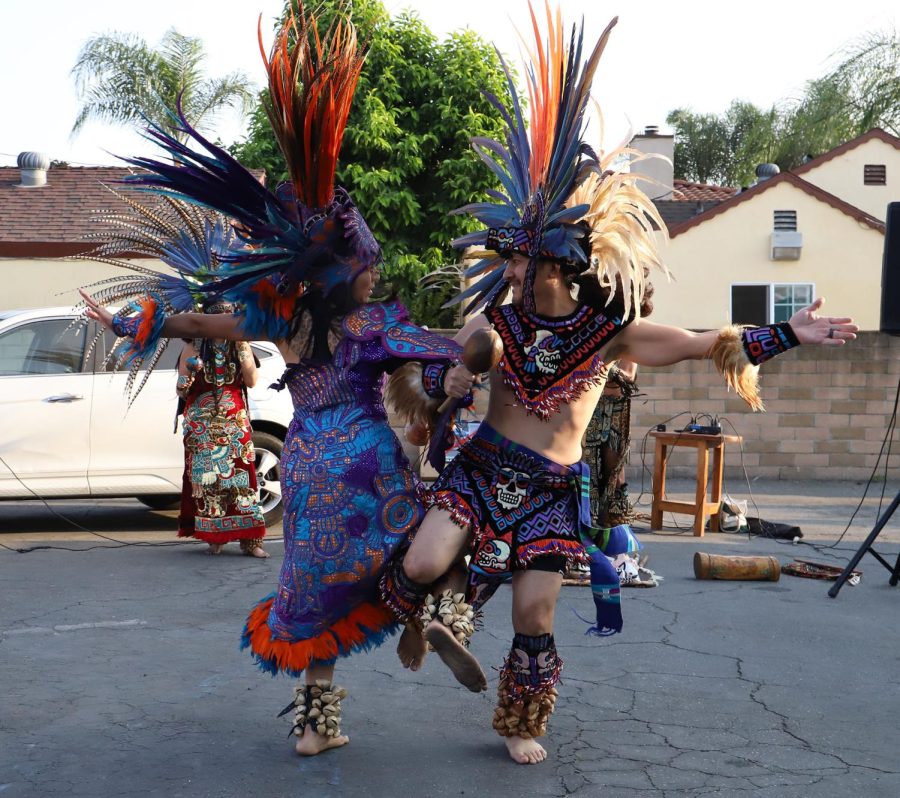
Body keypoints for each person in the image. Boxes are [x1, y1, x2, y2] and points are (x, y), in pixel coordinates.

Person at [379, 5, 858, 766]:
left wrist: (791, 333)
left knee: (537, 615)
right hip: (485, 470)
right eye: (509, 262)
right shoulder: (500, 326)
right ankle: (433, 612)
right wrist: (441, 383)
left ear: (563, 267)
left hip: (551, 490)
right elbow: (453, 364)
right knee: (421, 565)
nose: (512, 273)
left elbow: (706, 343)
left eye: (525, 263)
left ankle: (518, 718)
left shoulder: (613, 336)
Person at [80, 4, 473, 758]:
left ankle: (316, 729)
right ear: (351, 273)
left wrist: (135, 322)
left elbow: (199, 323)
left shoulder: (286, 326)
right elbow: (441, 355)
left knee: (318, 591)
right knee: (438, 532)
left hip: (305, 462)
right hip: (364, 458)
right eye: (370, 268)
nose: (376, 275)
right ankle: (445, 616)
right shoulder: (374, 326)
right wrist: (465, 364)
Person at [175, 303, 268, 557]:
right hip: (202, 423)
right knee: (209, 482)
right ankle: (215, 537)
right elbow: (181, 390)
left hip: (233, 420)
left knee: (243, 478)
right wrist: (190, 377)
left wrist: (242, 346)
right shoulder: (193, 345)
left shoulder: (240, 343)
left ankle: (251, 540)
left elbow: (251, 381)